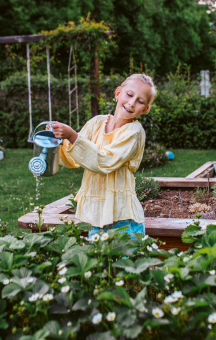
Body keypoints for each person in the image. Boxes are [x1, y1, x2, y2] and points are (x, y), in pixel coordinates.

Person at [47, 74, 157, 238]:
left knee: (124, 264)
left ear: (145, 109)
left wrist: (72, 136)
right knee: (100, 264)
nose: (132, 103)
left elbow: (104, 161)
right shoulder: (96, 123)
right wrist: (56, 141)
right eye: (129, 94)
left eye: (140, 101)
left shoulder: (134, 132)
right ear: (118, 93)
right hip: (97, 219)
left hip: (124, 221)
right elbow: (73, 158)